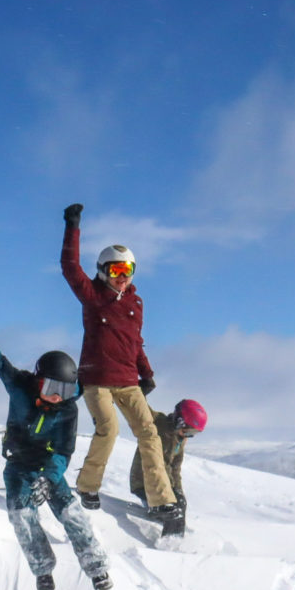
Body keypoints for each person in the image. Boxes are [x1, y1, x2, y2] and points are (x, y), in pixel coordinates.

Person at [0, 304, 112, 590]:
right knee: (21, 514)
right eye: (51, 389)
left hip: (48, 468)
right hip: (19, 467)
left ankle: (97, 569)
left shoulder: (67, 411)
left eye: (65, 391)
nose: (57, 397)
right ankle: (43, 569)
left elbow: (63, 452)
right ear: (38, 380)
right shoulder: (19, 386)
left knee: (71, 513)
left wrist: (48, 478)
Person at [60, 203, 182, 535]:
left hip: (128, 380)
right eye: (115, 271)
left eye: (128, 270)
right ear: (102, 271)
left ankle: (161, 500)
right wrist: (73, 227)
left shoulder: (135, 303)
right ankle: (88, 486)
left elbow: (135, 340)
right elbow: (70, 267)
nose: (122, 277)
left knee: (150, 433)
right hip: (97, 380)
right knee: (108, 430)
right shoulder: (92, 296)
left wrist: (147, 373)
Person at [130, 399, 208, 530]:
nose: (188, 436)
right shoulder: (158, 423)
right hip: (144, 481)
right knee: (172, 508)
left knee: (180, 504)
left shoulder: (180, 439)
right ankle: (168, 542)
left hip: (163, 484)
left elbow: (175, 468)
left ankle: (175, 540)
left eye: (193, 433)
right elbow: (141, 408)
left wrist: (178, 490)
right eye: (188, 430)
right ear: (179, 421)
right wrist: (140, 392)